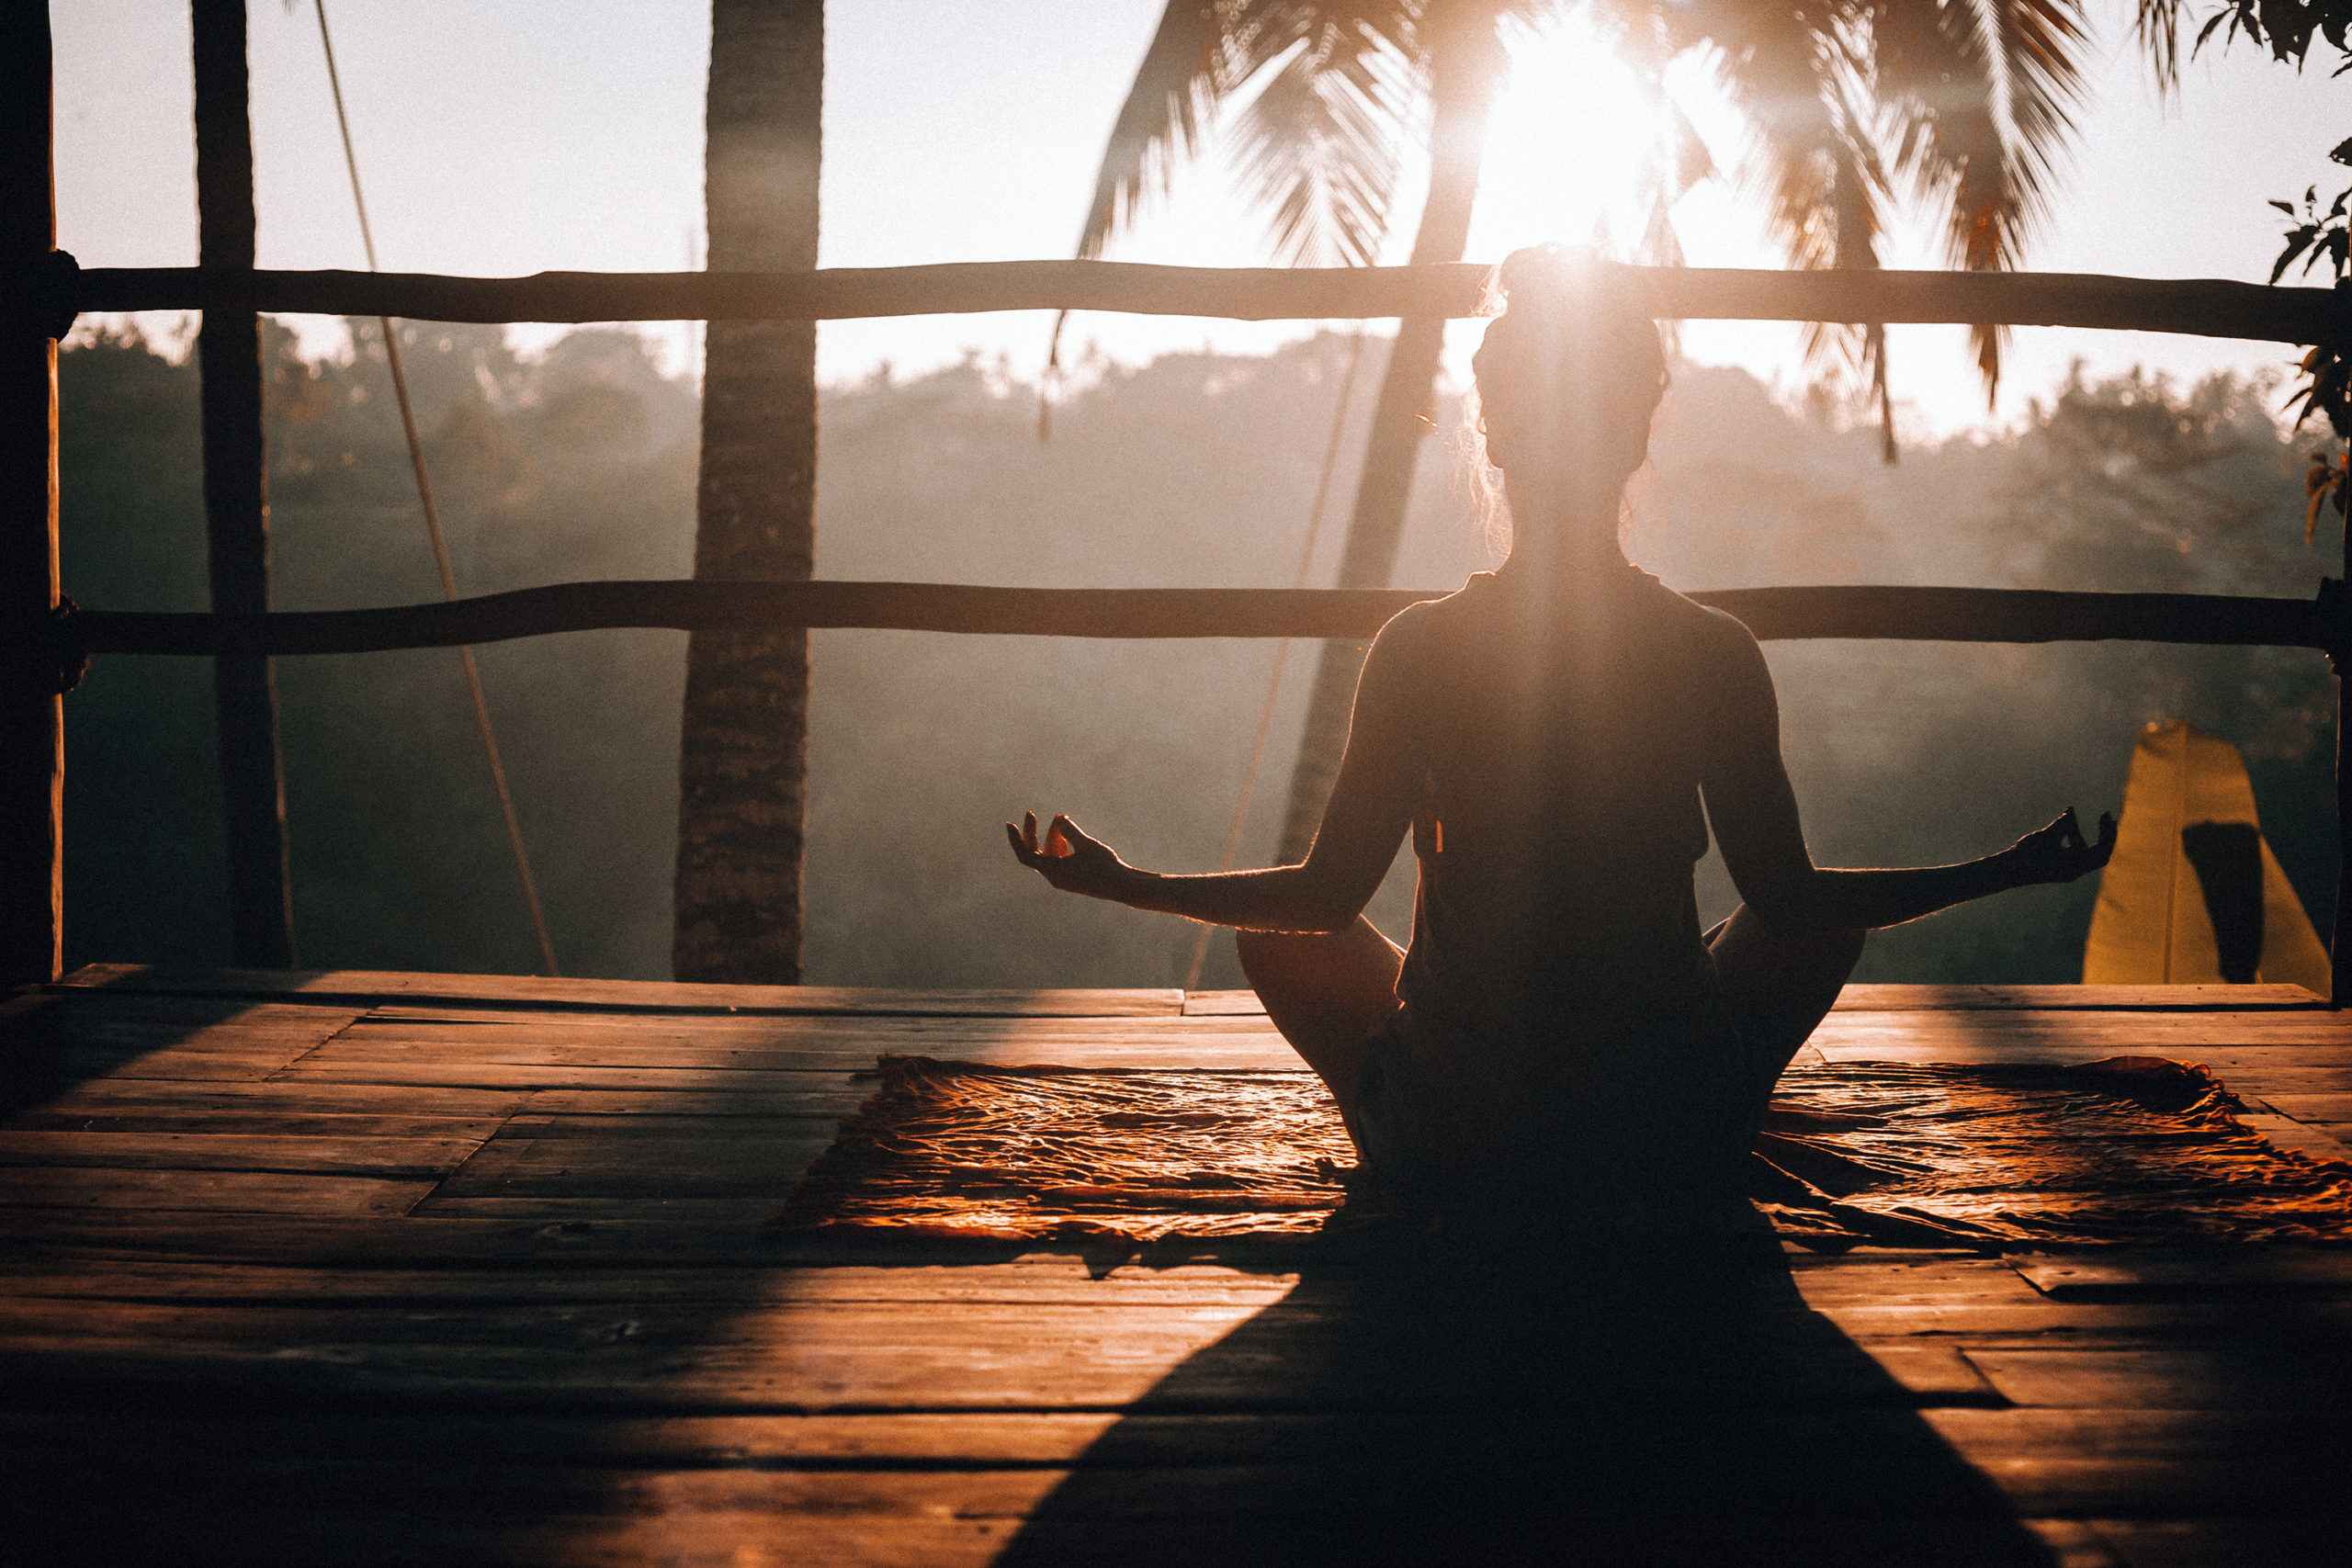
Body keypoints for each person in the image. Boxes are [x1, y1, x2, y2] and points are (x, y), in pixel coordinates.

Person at [1008, 244, 2114, 1224]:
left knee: (1279, 938)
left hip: (1462, 1142)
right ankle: (1708, 1121)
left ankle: (1407, 1141)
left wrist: (1124, 880)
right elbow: (1794, 902)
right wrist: (2007, 870)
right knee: (1809, 923)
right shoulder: (1709, 650)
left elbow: (1323, 898)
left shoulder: (1421, 647)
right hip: (1660, 1135)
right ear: (1636, 436)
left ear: (1491, 435)